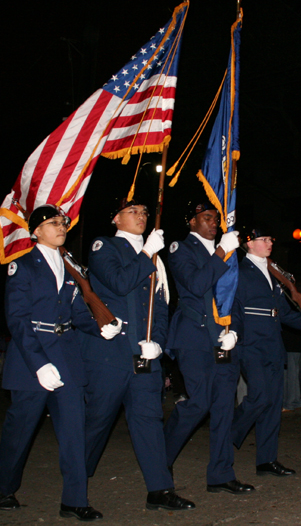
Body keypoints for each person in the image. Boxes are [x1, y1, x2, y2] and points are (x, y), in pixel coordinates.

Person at [0, 204, 121, 521]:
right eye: (52, 223)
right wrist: (38, 364)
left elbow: (75, 315)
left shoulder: (69, 265)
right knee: (21, 429)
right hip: (32, 357)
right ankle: (3, 486)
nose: (61, 227)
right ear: (35, 231)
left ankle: (74, 500)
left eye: (63, 222)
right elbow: (18, 320)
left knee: (75, 431)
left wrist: (102, 326)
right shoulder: (22, 264)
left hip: (67, 355)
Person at [80, 198, 194, 511]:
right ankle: (76, 482)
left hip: (144, 357)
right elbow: (119, 283)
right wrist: (146, 253)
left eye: (144, 212)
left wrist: (158, 341)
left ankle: (159, 489)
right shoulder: (104, 246)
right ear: (116, 219)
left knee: (149, 422)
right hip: (110, 356)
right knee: (97, 423)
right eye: (133, 212)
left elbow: (159, 305)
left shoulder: (153, 256)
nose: (141, 216)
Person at [162, 202, 251, 495]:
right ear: (192, 221)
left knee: (225, 408)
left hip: (224, 339)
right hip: (195, 337)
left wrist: (234, 330)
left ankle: (221, 474)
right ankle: (161, 458)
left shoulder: (225, 250)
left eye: (216, 219)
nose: (214, 223)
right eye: (207, 218)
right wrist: (222, 252)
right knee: (199, 402)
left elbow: (233, 295)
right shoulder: (181, 249)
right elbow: (198, 283)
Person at [231, 228, 301, 476]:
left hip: (273, 344)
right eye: (264, 239)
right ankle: (229, 433)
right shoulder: (239, 271)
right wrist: (235, 335)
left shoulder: (274, 274)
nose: (270, 242)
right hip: (251, 344)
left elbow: (282, 312)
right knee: (259, 397)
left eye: (271, 238)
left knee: (273, 404)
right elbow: (235, 307)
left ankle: (266, 460)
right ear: (249, 244)